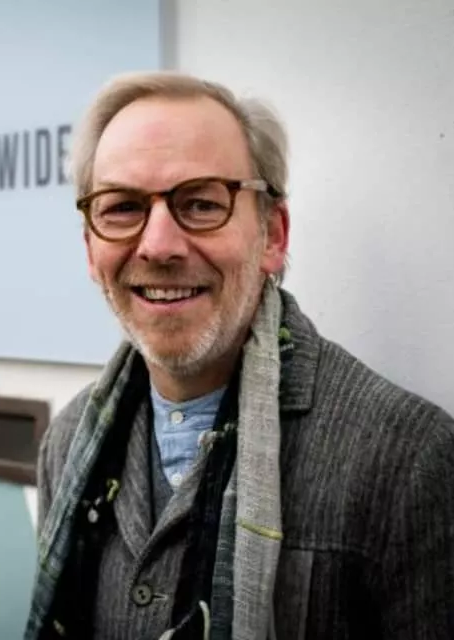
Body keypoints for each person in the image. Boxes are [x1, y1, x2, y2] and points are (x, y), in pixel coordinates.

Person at [25, 71, 454, 640]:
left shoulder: (406, 460)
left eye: (202, 203)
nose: (158, 246)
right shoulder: (67, 443)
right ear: (90, 247)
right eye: (122, 207)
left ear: (273, 234)